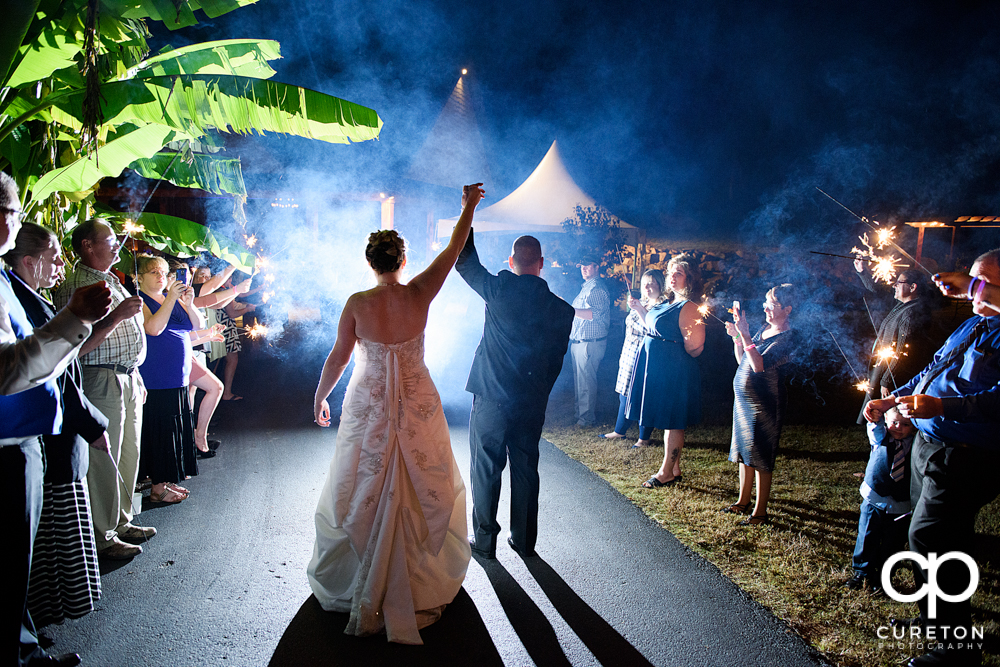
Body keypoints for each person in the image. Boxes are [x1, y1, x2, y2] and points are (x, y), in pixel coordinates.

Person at [308, 184, 485, 645]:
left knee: (362, 481)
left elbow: (338, 359)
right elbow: (453, 248)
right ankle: (417, 575)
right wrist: (467, 207)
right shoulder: (420, 292)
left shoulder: (357, 303)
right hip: (417, 400)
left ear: (371, 263)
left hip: (369, 402)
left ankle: (358, 577)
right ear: (402, 261)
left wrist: (320, 395)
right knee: (420, 478)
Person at [865, 249, 1000, 667]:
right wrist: (895, 399)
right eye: (972, 280)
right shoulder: (972, 325)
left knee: (929, 538)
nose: (971, 288)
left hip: (967, 456)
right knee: (945, 542)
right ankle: (948, 630)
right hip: (929, 447)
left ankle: (954, 650)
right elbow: (934, 370)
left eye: (983, 281)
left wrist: (942, 409)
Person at [0, 172, 112, 667]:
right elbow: (13, 367)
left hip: (26, 435)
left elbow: (52, 361)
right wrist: (79, 319)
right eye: (16, 214)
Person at [457, 228, 575, 560]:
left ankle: (484, 541)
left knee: (485, 468)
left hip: (491, 397)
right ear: (541, 264)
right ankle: (523, 541)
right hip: (531, 400)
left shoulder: (498, 288)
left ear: (511, 261)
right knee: (525, 468)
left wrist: (468, 215)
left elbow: (464, 261)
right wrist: (538, 392)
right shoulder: (562, 310)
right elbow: (556, 362)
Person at [53, 219, 149, 560]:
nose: (117, 247)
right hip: (101, 377)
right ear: (87, 246)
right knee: (104, 459)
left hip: (127, 377)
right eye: (109, 241)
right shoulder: (76, 286)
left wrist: (136, 377)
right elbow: (75, 347)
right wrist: (118, 317)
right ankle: (102, 535)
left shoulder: (110, 279)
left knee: (128, 453)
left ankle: (122, 522)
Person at [627, 253, 705, 488]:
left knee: (673, 420)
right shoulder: (665, 303)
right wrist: (640, 309)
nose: (672, 277)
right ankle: (675, 468)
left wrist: (683, 344)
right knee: (668, 419)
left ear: (689, 279)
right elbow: (652, 327)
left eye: (678, 273)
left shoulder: (689, 307)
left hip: (674, 369)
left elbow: (695, 348)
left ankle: (666, 472)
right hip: (656, 366)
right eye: (671, 272)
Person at [722, 284, 797, 525]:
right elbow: (743, 360)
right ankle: (742, 501)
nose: (766, 307)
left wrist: (744, 335)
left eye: (772, 304)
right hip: (744, 401)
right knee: (746, 452)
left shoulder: (788, 338)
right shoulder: (764, 328)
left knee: (761, 455)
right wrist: (737, 337)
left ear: (787, 309)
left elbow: (759, 366)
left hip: (765, 402)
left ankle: (760, 511)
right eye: (766, 302)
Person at [136, 255, 200, 504]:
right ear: (139, 277)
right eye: (153, 272)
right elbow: (153, 328)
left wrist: (189, 303)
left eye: (163, 271)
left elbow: (196, 324)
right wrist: (172, 298)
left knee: (174, 429)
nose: (160, 275)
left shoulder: (171, 298)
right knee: (160, 431)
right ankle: (157, 486)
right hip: (157, 377)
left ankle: (166, 480)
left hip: (178, 377)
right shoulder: (140, 301)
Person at [844, 405, 914, 593]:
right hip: (874, 497)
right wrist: (875, 418)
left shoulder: (915, 445)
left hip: (901, 504)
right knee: (867, 536)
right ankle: (861, 572)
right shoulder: (880, 438)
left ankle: (884, 578)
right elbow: (875, 429)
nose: (898, 427)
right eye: (894, 423)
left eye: (905, 424)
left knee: (893, 543)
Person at [855, 262, 933, 418]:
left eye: (899, 282)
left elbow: (903, 351)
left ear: (913, 287)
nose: (894, 286)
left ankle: (891, 436)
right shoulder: (903, 305)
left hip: (894, 372)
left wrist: (887, 381)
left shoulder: (912, 313)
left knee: (891, 414)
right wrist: (863, 271)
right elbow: (879, 292)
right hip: (886, 367)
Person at [601, 269, 663, 443]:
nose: (648, 287)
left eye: (652, 283)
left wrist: (640, 309)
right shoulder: (641, 301)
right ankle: (620, 430)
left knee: (644, 396)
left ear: (660, 285)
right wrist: (636, 306)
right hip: (629, 353)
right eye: (645, 284)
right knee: (625, 393)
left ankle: (644, 438)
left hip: (646, 356)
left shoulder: (661, 306)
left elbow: (653, 330)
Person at [570, 254, 610, 427]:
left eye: (588, 265)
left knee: (586, 381)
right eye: (582, 265)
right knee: (581, 380)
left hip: (590, 342)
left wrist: (569, 309)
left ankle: (586, 419)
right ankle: (580, 414)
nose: (584, 268)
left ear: (596, 267)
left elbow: (592, 314)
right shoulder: (586, 287)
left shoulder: (597, 289)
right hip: (580, 341)